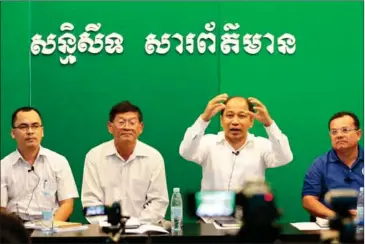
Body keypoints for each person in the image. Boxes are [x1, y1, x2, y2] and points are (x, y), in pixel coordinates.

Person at [179, 93, 293, 191]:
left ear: (251, 121)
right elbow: (186, 152)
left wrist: (269, 124)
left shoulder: (261, 145)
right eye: (229, 115)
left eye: (242, 116)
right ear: (221, 120)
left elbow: (285, 157)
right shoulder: (208, 143)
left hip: (248, 216)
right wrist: (204, 119)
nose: (235, 121)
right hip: (211, 215)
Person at [81, 101, 169, 224]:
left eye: (132, 122)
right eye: (121, 122)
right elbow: (90, 202)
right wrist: (111, 223)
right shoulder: (94, 157)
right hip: (106, 231)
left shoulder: (154, 157)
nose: (127, 127)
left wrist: (136, 224)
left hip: (143, 231)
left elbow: (158, 201)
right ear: (110, 127)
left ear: (141, 128)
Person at [0, 107, 79, 222]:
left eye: (35, 126)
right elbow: (2, 209)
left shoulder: (59, 161)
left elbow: (67, 204)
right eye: (23, 127)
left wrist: (50, 228)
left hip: (52, 225)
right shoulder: (3, 166)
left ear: (42, 131)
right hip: (16, 228)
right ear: (13, 133)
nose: (30, 131)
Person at [302, 111, 364, 219]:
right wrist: (338, 217)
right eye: (334, 132)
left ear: (358, 134)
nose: (339, 135)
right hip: (332, 227)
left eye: (345, 130)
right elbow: (308, 200)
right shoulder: (320, 164)